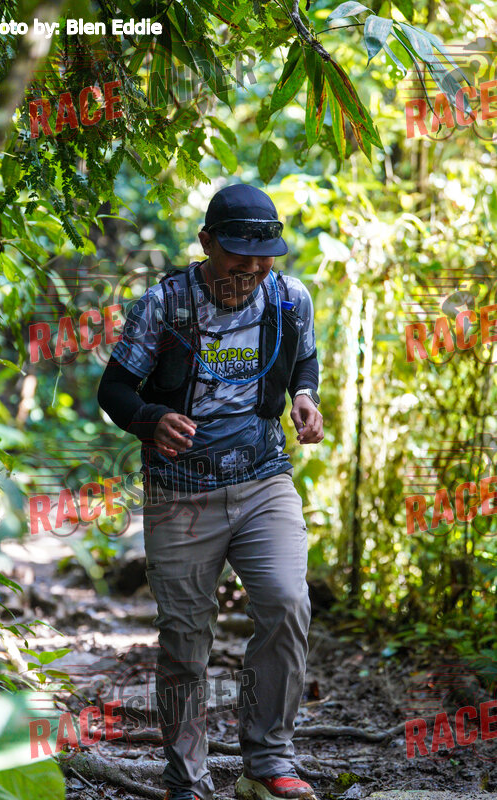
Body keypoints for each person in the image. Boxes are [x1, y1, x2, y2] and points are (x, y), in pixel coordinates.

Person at [98, 183, 323, 800]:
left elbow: (304, 361)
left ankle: (269, 762)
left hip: (263, 479)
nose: (249, 272)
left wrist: (305, 397)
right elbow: (114, 389)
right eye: (236, 258)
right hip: (180, 492)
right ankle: (187, 780)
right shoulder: (163, 305)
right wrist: (150, 419)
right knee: (184, 638)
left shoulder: (289, 299)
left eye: (263, 260)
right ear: (206, 243)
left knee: (287, 603)